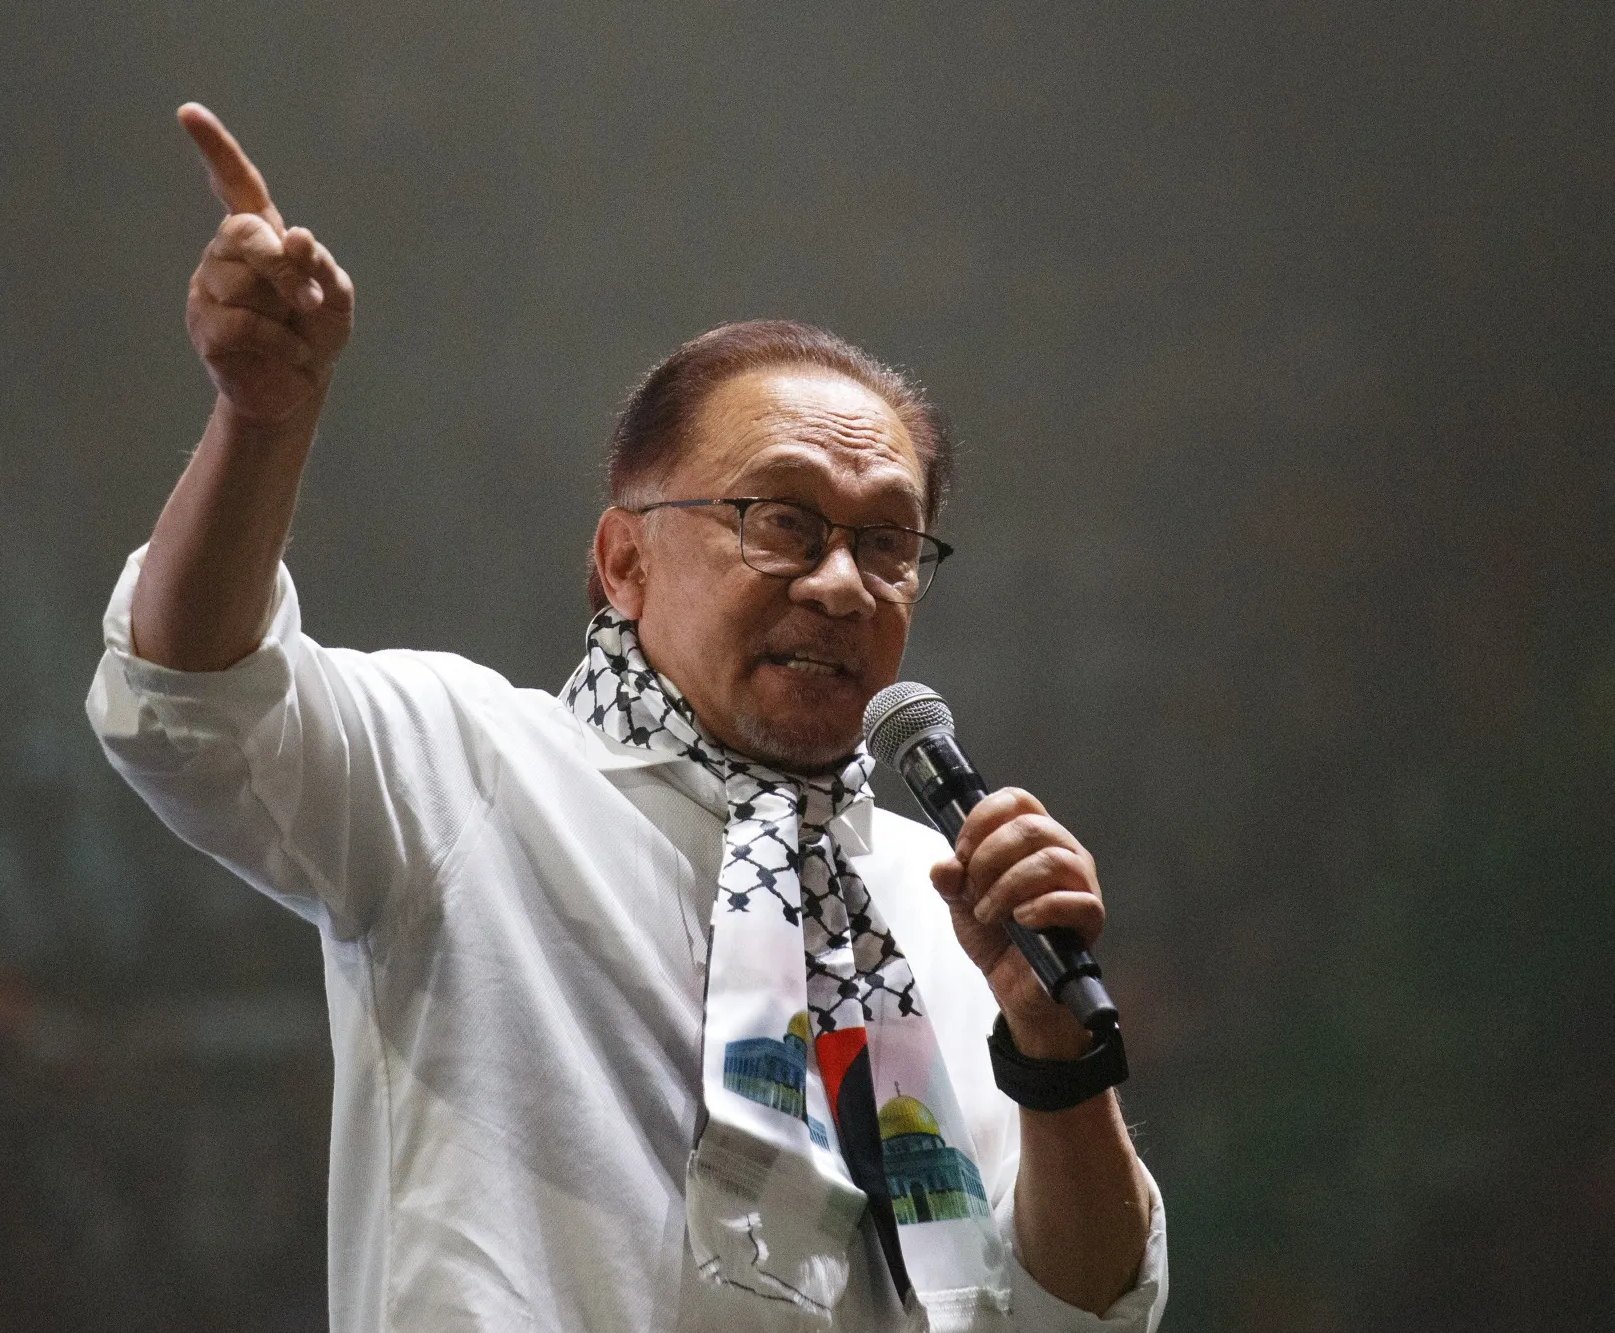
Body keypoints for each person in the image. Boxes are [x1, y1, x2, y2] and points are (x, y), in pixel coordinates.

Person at [87, 104, 1167, 1333]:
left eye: (886, 543)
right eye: (780, 521)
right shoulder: (473, 772)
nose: (839, 581)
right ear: (621, 562)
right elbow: (193, 698)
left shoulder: (948, 905)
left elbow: (1083, 1314)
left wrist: (1059, 1065)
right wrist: (259, 424)